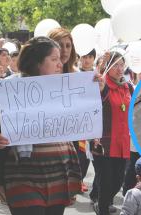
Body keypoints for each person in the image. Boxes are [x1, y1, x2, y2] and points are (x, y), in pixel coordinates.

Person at [0, 36, 82, 215]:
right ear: (37, 62)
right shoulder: (8, 90)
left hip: (58, 173)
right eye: (54, 59)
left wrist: (99, 88)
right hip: (22, 175)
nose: (60, 63)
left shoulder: (67, 87)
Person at [91, 52, 133, 215]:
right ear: (108, 67)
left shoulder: (128, 87)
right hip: (105, 143)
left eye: (121, 64)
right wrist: (99, 75)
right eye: (115, 65)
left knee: (117, 182)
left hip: (123, 143)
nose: (119, 68)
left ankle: (101, 204)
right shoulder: (102, 85)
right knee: (106, 182)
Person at [48, 28, 90, 193]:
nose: (64, 50)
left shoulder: (79, 76)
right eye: (60, 45)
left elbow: (86, 106)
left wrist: (97, 89)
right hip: (47, 140)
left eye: (68, 45)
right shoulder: (40, 75)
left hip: (71, 140)